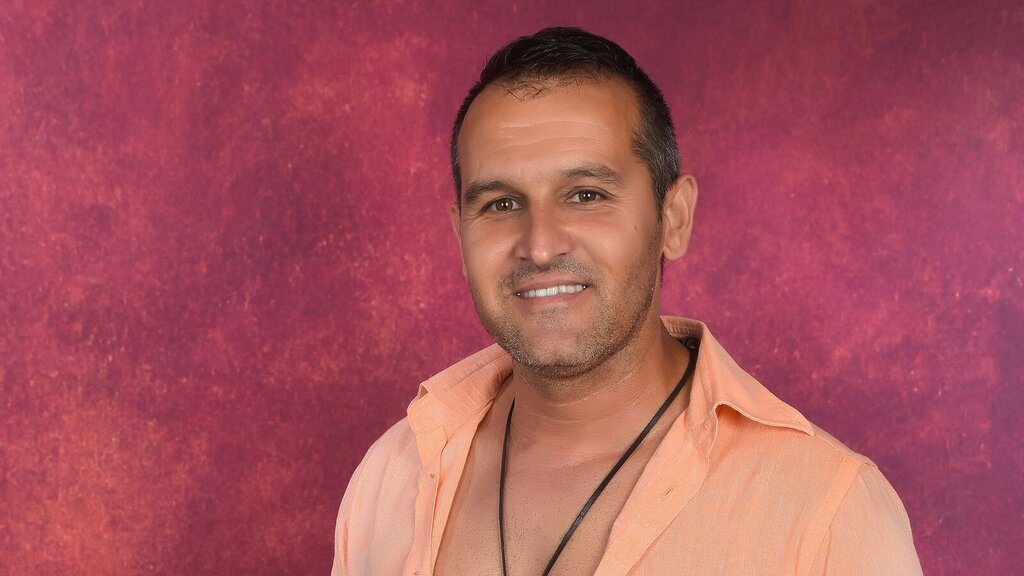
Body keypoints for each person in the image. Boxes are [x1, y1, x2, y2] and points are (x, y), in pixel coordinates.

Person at [331, 27, 922, 575]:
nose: (540, 246)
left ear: (673, 218)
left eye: (586, 195)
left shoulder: (826, 510)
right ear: (460, 233)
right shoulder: (393, 474)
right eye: (501, 204)